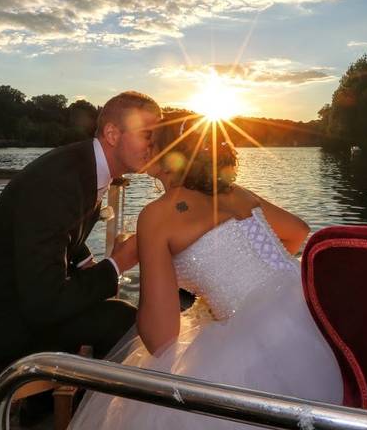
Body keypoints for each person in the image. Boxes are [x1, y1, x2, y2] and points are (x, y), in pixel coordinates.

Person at [69, 115, 342, 429]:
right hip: (310, 307)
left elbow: (161, 338)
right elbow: (297, 231)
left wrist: (138, 254)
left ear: (164, 152)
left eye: (148, 137)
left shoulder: (157, 216)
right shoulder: (235, 191)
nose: (141, 144)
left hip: (261, 341)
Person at [0, 91, 161, 379]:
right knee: (119, 319)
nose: (155, 145)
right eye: (148, 134)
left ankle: (45, 406)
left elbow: (57, 230)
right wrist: (116, 265)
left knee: (103, 307)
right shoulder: (59, 183)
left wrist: (85, 261)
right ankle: (76, 415)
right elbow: (44, 305)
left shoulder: (81, 165)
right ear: (112, 133)